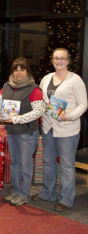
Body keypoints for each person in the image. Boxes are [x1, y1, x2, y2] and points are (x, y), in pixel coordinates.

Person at [32, 48, 87, 212]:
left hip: (67, 130)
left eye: (62, 58)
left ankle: (65, 198)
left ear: (68, 60)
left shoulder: (75, 80)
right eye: (56, 58)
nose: (59, 61)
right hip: (48, 128)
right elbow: (42, 101)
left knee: (66, 165)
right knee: (48, 162)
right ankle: (48, 193)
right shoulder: (47, 78)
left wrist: (69, 115)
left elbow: (83, 104)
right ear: (52, 60)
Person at [0, 57, 44, 206]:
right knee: (14, 163)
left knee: (25, 165)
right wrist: (0, 114)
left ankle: (24, 193)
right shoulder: (7, 86)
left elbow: (38, 111)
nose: (19, 72)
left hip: (27, 133)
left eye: (22, 69)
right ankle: (16, 190)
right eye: (16, 69)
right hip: (12, 132)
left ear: (27, 71)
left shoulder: (34, 89)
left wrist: (17, 119)